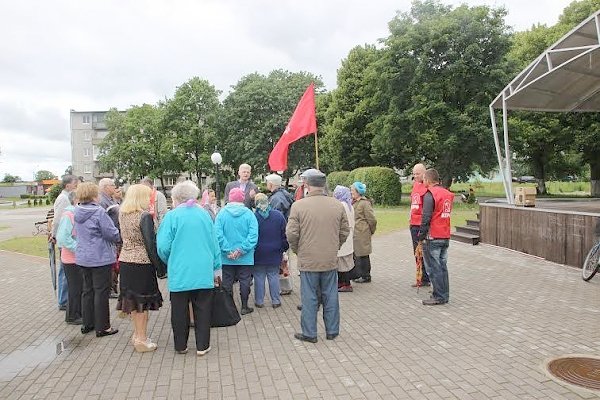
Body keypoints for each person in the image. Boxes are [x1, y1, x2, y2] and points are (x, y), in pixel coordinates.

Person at [157, 181, 221, 356]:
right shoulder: (204, 215)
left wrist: (170, 259)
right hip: (203, 270)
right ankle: (202, 345)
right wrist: (216, 268)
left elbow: (162, 246)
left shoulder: (172, 216)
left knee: (179, 310)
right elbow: (214, 244)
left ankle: (181, 345)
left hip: (180, 271)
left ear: (176, 198)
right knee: (203, 309)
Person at [286, 169, 349, 343]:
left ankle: (310, 333)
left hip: (308, 259)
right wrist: (335, 246)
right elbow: (344, 231)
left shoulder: (298, 206)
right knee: (331, 295)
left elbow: (291, 234)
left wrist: (298, 249)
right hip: (329, 258)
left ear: (307, 185)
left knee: (309, 297)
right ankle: (332, 330)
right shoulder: (337, 205)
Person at [117, 184, 164, 353]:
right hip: (142, 263)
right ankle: (142, 339)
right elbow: (150, 245)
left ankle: (137, 335)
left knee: (133, 303)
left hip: (126, 260)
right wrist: (160, 268)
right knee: (142, 304)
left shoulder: (122, 213)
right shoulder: (144, 216)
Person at [74, 182, 121, 337]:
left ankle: (88, 324)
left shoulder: (77, 210)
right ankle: (103, 327)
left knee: (87, 290)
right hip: (100, 257)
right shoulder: (98, 212)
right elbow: (110, 233)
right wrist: (119, 234)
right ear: (94, 195)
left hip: (82, 257)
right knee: (101, 292)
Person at [215, 187, 258, 315]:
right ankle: (244, 306)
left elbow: (217, 234)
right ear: (242, 198)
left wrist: (228, 250)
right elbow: (253, 235)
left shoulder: (221, 214)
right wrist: (241, 250)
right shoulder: (249, 214)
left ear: (229, 198)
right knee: (245, 281)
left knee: (227, 282)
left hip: (226, 257)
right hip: (245, 256)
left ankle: (230, 308)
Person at [418, 168, 454, 306]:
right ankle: (444, 294)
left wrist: (421, 236)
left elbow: (426, 217)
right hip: (445, 234)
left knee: (434, 268)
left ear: (427, 180)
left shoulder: (430, 194)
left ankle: (438, 296)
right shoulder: (447, 193)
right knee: (443, 266)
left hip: (433, 236)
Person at [253, 193, 288, 309]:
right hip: (275, 251)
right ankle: (276, 301)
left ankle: (259, 301)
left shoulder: (253, 217)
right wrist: (284, 248)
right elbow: (284, 234)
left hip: (258, 252)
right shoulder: (278, 216)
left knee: (258, 276)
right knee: (273, 275)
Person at [51, 174, 79, 311]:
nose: (77, 186)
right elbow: (57, 220)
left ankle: (64, 299)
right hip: (65, 242)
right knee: (64, 272)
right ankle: (63, 300)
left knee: (65, 271)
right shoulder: (63, 199)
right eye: (75, 184)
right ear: (68, 185)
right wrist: (54, 236)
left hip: (66, 240)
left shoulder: (66, 197)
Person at [265, 173, 295, 295]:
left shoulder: (276, 198)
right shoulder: (284, 194)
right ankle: (286, 285)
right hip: (285, 231)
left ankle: (285, 286)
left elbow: (276, 217)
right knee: (284, 260)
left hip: (280, 233)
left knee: (282, 261)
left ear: (271, 184)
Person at [55, 191, 82, 325]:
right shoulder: (68, 215)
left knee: (79, 288)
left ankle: (78, 313)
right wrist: (79, 248)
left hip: (78, 258)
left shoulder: (76, 214)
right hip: (71, 259)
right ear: (76, 199)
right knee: (75, 288)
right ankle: (72, 316)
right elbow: (63, 238)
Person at [409, 163, 431, 287]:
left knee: (423, 252)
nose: (415, 176)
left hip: (421, 225)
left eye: (418, 173)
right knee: (416, 253)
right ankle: (421, 277)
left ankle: (426, 277)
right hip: (413, 223)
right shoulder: (415, 185)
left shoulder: (427, 187)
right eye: (414, 173)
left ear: (424, 173)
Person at [99, 178, 121, 298]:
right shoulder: (102, 201)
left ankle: (113, 287)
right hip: (110, 238)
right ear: (106, 187)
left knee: (116, 264)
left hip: (115, 235)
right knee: (112, 264)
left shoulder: (111, 199)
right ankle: (110, 289)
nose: (114, 187)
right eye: (112, 185)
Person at [351, 181, 377, 283]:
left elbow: (372, 219)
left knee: (363, 254)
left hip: (362, 232)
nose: (351, 192)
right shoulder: (354, 202)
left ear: (358, 192)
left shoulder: (364, 203)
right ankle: (358, 274)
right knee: (357, 254)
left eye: (353, 190)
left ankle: (366, 275)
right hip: (356, 232)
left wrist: (371, 230)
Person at [333, 186, 355, 292]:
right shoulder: (349, 205)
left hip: (343, 236)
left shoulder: (341, 205)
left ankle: (345, 284)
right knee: (345, 261)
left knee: (341, 262)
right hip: (349, 235)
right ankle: (344, 283)